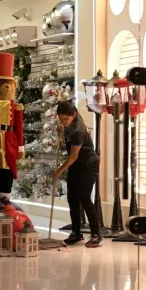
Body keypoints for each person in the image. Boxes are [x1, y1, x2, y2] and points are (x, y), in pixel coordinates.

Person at [52, 101, 102, 247]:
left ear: (73, 115)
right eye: (60, 119)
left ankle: (96, 234)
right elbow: (66, 147)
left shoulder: (77, 130)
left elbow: (73, 156)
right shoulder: (69, 123)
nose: (63, 122)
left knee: (84, 198)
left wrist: (59, 170)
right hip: (76, 165)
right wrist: (59, 131)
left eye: (65, 119)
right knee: (72, 198)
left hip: (88, 165)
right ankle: (76, 233)